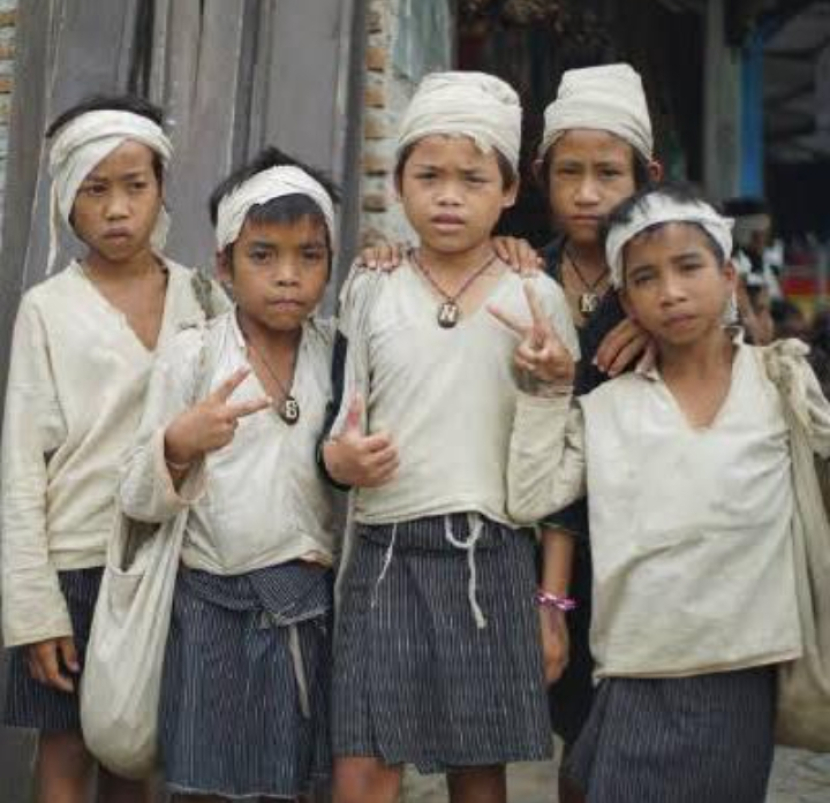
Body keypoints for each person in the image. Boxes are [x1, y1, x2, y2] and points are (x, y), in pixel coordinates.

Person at [505, 182, 818, 803]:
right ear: (626, 300)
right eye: (646, 278)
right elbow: (533, 494)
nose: (670, 292)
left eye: (689, 267)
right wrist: (549, 390)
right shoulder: (609, 405)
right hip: (635, 668)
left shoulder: (778, 380)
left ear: (729, 275)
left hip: (739, 668)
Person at [320, 71, 579, 803]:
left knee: (478, 770)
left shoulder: (537, 295)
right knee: (363, 765)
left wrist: (547, 604)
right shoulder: (371, 287)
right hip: (386, 548)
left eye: (473, 177)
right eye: (428, 175)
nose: (448, 194)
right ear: (398, 183)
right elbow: (337, 423)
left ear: (506, 192)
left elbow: (561, 450)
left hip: (490, 552)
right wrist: (341, 460)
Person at [1, 94, 227, 803]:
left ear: (161, 188)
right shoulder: (49, 308)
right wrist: (35, 611)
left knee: (133, 749)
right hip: (77, 562)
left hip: (165, 560)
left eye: (135, 185)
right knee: (67, 750)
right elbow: (18, 468)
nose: (118, 208)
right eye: (96, 189)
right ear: (68, 200)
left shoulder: (202, 295)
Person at [118, 147, 339, 801]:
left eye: (310, 255)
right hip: (208, 609)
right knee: (202, 786)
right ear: (225, 264)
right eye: (263, 255)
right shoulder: (193, 355)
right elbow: (134, 490)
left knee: (294, 785)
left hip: (306, 613)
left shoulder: (342, 354)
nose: (288, 276)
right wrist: (179, 443)